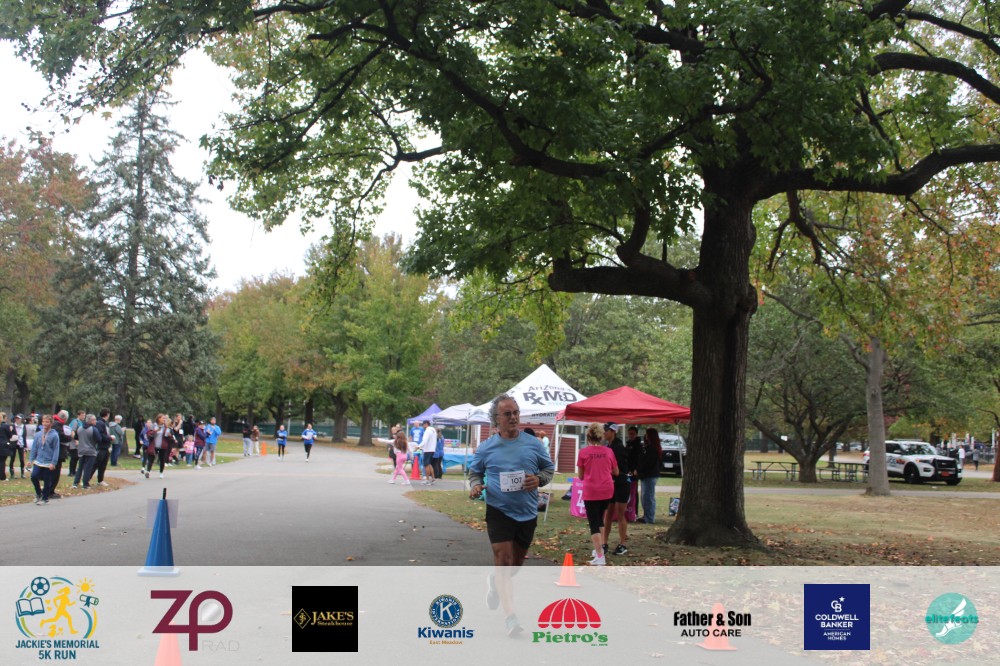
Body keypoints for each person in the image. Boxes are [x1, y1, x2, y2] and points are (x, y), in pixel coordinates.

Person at [468, 393, 554, 637]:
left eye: (516, 413)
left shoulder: (533, 444)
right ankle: (510, 618)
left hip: (527, 512)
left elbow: (548, 469)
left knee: (514, 565)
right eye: (508, 414)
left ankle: (494, 583)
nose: (513, 417)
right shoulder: (487, 447)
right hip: (499, 510)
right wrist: (476, 486)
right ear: (497, 419)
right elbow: (474, 473)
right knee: (504, 562)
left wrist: (538, 479)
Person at [577, 422, 618, 566]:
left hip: (591, 490)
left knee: (594, 523)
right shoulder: (609, 451)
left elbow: (581, 476)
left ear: (588, 437)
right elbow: (616, 471)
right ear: (601, 437)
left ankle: (600, 555)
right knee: (600, 519)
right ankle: (600, 549)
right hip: (607, 489)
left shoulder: (583, 452)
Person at [601, 423, 630, 557]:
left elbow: (616, 468)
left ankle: (622, 544)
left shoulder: (618, 447)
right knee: (608, 514)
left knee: (620, 514)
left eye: (606, 430)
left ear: (613, 431)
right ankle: (604, 543)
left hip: (621, 483)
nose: (604, 433)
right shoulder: (608, 446)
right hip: (611, 484)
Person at [29, 414, 60, 504]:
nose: (45, 424)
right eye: (43, 421)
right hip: (38, 460)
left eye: (47, 422)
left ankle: (45, 498)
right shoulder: (38, 434)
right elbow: (34, 448)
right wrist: (30, 460)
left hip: (48, 461)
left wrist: (53, 463)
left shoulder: (54, 435)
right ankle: (39, 493)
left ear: (51, 423)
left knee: (47, 480)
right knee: (34, 476)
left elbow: (56, 450)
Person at [636, 427, 662, 524]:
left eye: (647, 434)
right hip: (646, 475)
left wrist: (639, 470)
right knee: (645, 496)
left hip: (649, 475)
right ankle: (646, 515)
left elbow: (648, 463)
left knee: (648, 496)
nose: (645, 436)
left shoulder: (652, 449)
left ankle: (650, 517)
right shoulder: (649, 447)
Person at [72, 414, 99, 489]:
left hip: (81, 450)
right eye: (94, 420)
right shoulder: (93, 429)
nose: (96, 421)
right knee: (88, 468)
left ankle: (75, 483)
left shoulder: (80, 428)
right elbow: (99, 439)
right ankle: (85, 484)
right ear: (91, 421)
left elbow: (76, 437)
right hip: (91, 450)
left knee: (80, 467)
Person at [144, 413, 173, 479]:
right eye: (163, 418)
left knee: (162, 459)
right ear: (159, 418)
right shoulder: (153, 426)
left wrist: (169, 436)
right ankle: (148, 471)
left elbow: (170, 438)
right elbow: (149, 434)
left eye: (165, 419)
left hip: (163, 445)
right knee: (151, 458)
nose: (164, 420)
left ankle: (161, 473)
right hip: (154, 445)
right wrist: (156, 431)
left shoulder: (166, 427)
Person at [92, 409, 112, 486]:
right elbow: (101, 435)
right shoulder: (100, 423)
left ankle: (100, 480)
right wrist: (109, 438)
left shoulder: (105, 423)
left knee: (103, 465)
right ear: (107, 414)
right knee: (96, 463)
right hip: (101, 447)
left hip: (106, 446)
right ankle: (86, 480)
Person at [68, 410, 85, 477]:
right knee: (74, 457)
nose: (83, 417)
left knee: (76, 457)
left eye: (84, 415)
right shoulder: (75, 422)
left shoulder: (81, 422)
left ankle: (74, 471)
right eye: (82, 415)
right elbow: (72, 431)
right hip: (74, 443)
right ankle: (71, 472)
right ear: (78, 415)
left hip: (80, 442)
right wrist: (76, 440)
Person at [422, 419, 439, 485]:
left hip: (427, 449)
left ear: (426, 424)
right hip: (432, 449)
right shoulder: (433, 430)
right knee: (429, 464)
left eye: (423, 424)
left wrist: (418, 446)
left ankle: (427, 479)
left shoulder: (427, 431)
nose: (423, 426)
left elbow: (424, 441)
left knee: (426, 465)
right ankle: (433, 478)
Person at [10, 413, 26, 479]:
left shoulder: (23, 426)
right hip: (14, 443)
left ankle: (22, 473)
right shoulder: (12, 426)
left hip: (21, 443)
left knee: (22, 459)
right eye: (16, 418)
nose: (17, 419)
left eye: (19, 418)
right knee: (12, 458)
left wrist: (25, 446)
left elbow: (24, 436)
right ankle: (12, 473)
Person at [0, 412, 14, 481]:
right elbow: (10, 435)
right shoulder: (5, 426)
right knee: (2, 461)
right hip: (3, 445)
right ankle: (2, 476)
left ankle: (2, 475)